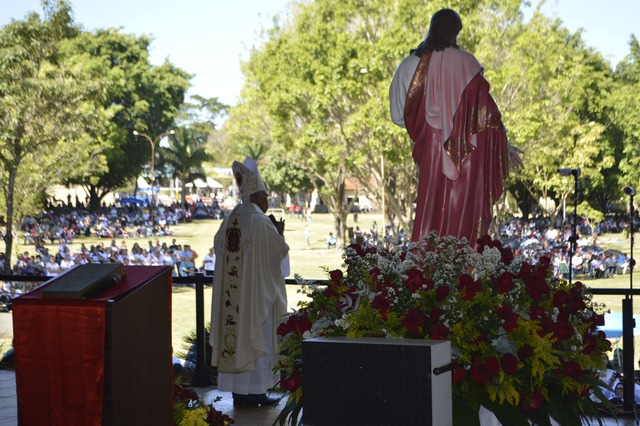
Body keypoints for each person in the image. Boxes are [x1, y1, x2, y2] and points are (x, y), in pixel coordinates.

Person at [389, 8, 523, 248]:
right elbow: (488, 115)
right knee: (463, 212)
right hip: (466, 154)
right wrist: (504, 145)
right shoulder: (467, 63)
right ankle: (463, 273)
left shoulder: (409, 64)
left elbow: (398, 115)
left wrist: (426, 127)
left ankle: (427, 268)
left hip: (429, 151)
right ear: (454, 33)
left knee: (431, 207)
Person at [209, 158, 289, 407]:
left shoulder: (230, 219)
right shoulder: (260, 221)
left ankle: (238, 394)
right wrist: (280, 234)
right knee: (258, 337)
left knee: (235, 337)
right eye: (265, 196)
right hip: (255, 296)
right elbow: (277, 255)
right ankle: (255, 393)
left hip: (232, 298)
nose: (267, 201)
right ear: (256, 197)